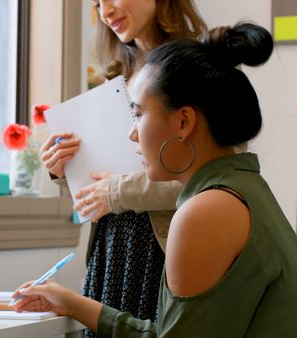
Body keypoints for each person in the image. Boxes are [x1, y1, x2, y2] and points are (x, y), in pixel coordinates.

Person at [16, 23, 297, 337]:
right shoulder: (242, 189)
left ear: (183, 121)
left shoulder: (205, 211)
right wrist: (74, 304)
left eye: (137, 114)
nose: (132, 134)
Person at [39, 1, 207, 333]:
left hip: (161, 247)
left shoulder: (200, 65)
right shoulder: (117, 77)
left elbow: (208, 177)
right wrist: (64, 167)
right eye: (98, 3)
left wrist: (117, 192)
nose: (105, 11)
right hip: (112, 246)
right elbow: (110, 171)